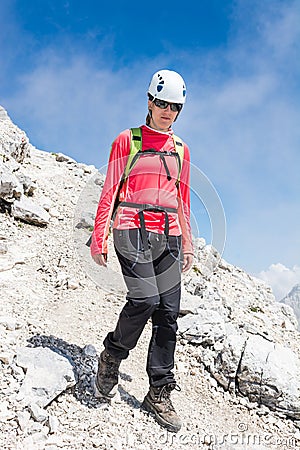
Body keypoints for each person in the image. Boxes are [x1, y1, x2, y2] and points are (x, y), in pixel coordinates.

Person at [90, 69, 193, 432]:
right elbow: (109, 189)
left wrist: (190, 245)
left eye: (175, 106)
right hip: (131, 230)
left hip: (171, 236)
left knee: (168, 311)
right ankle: (112, 357)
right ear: (149, 101)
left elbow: (183, 200)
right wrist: (98, 234)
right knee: (145, 299)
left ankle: (159, 391)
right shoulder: (127, 140)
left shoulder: (181, 149)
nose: (168, 111)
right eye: (162, 103)